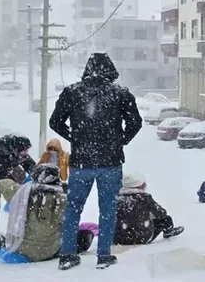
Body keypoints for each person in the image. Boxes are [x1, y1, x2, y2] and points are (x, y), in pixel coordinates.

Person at [49, 52, 143, 270]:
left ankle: (67, 254)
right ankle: (103, 255)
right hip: (110, 162)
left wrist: (75, 137)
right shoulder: (120, 94)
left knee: (73, 208)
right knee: (108, 209)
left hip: (81, 162)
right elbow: (135, 122)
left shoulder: (72, 92)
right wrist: (121, 140)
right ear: (110, 70)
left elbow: (55, 122)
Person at [0, 164, 94, 262]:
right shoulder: (62, 199)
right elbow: (68, 224)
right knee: (84, 235)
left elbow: (5, 184)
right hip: (48, 250)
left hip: (21, 248)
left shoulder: (23, 193)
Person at [114, 174, 184, 245]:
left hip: (121, 238)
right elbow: (162, 213)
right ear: (140, 185)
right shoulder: (145, 198)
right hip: (143, 237)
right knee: (166, 219)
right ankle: (168, 231)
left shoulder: (118, 200)